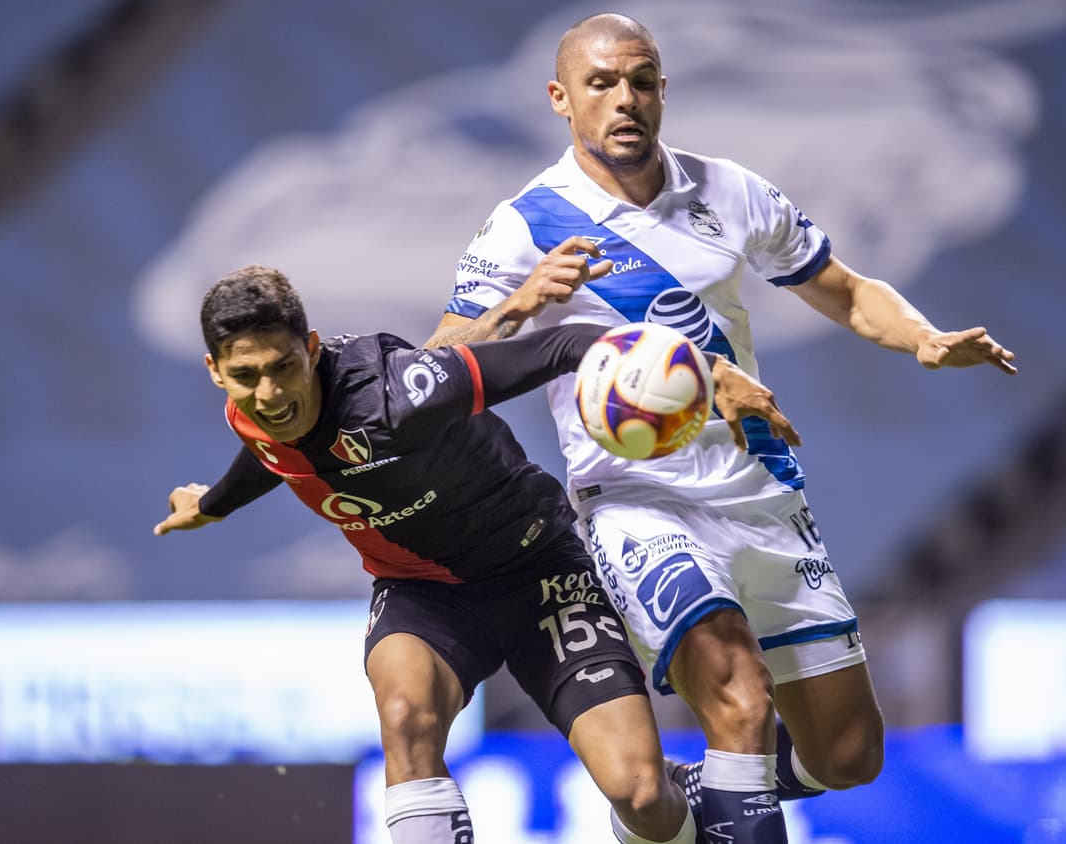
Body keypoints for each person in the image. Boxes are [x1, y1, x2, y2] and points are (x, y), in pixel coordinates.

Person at [426, 13, 1019, 843]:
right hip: (639, 499)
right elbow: (434, 369)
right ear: (562, 99)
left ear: (663, 89)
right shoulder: (526, 225)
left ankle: (685, 796)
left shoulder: (731, 190)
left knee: (848, 754)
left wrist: (921, 335)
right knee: (739, 694)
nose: (624, 99)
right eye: (601, 84)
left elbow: (844, 289)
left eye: (640, 80)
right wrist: (519, 304)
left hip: (760, 493)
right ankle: (714, 794)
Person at [153, 266, 793, 844]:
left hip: (539, 571)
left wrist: (705, 374)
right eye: (245, 377)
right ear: (215, 370)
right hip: (422, 593)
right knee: (405, 716)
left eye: (283, 368)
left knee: (642, 794)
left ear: (311, 349)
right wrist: (212, 505)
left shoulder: (400, 395)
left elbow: (563, 347)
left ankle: (680, 799)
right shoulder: (254, 414)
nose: (269, 394)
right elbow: (274, 455)